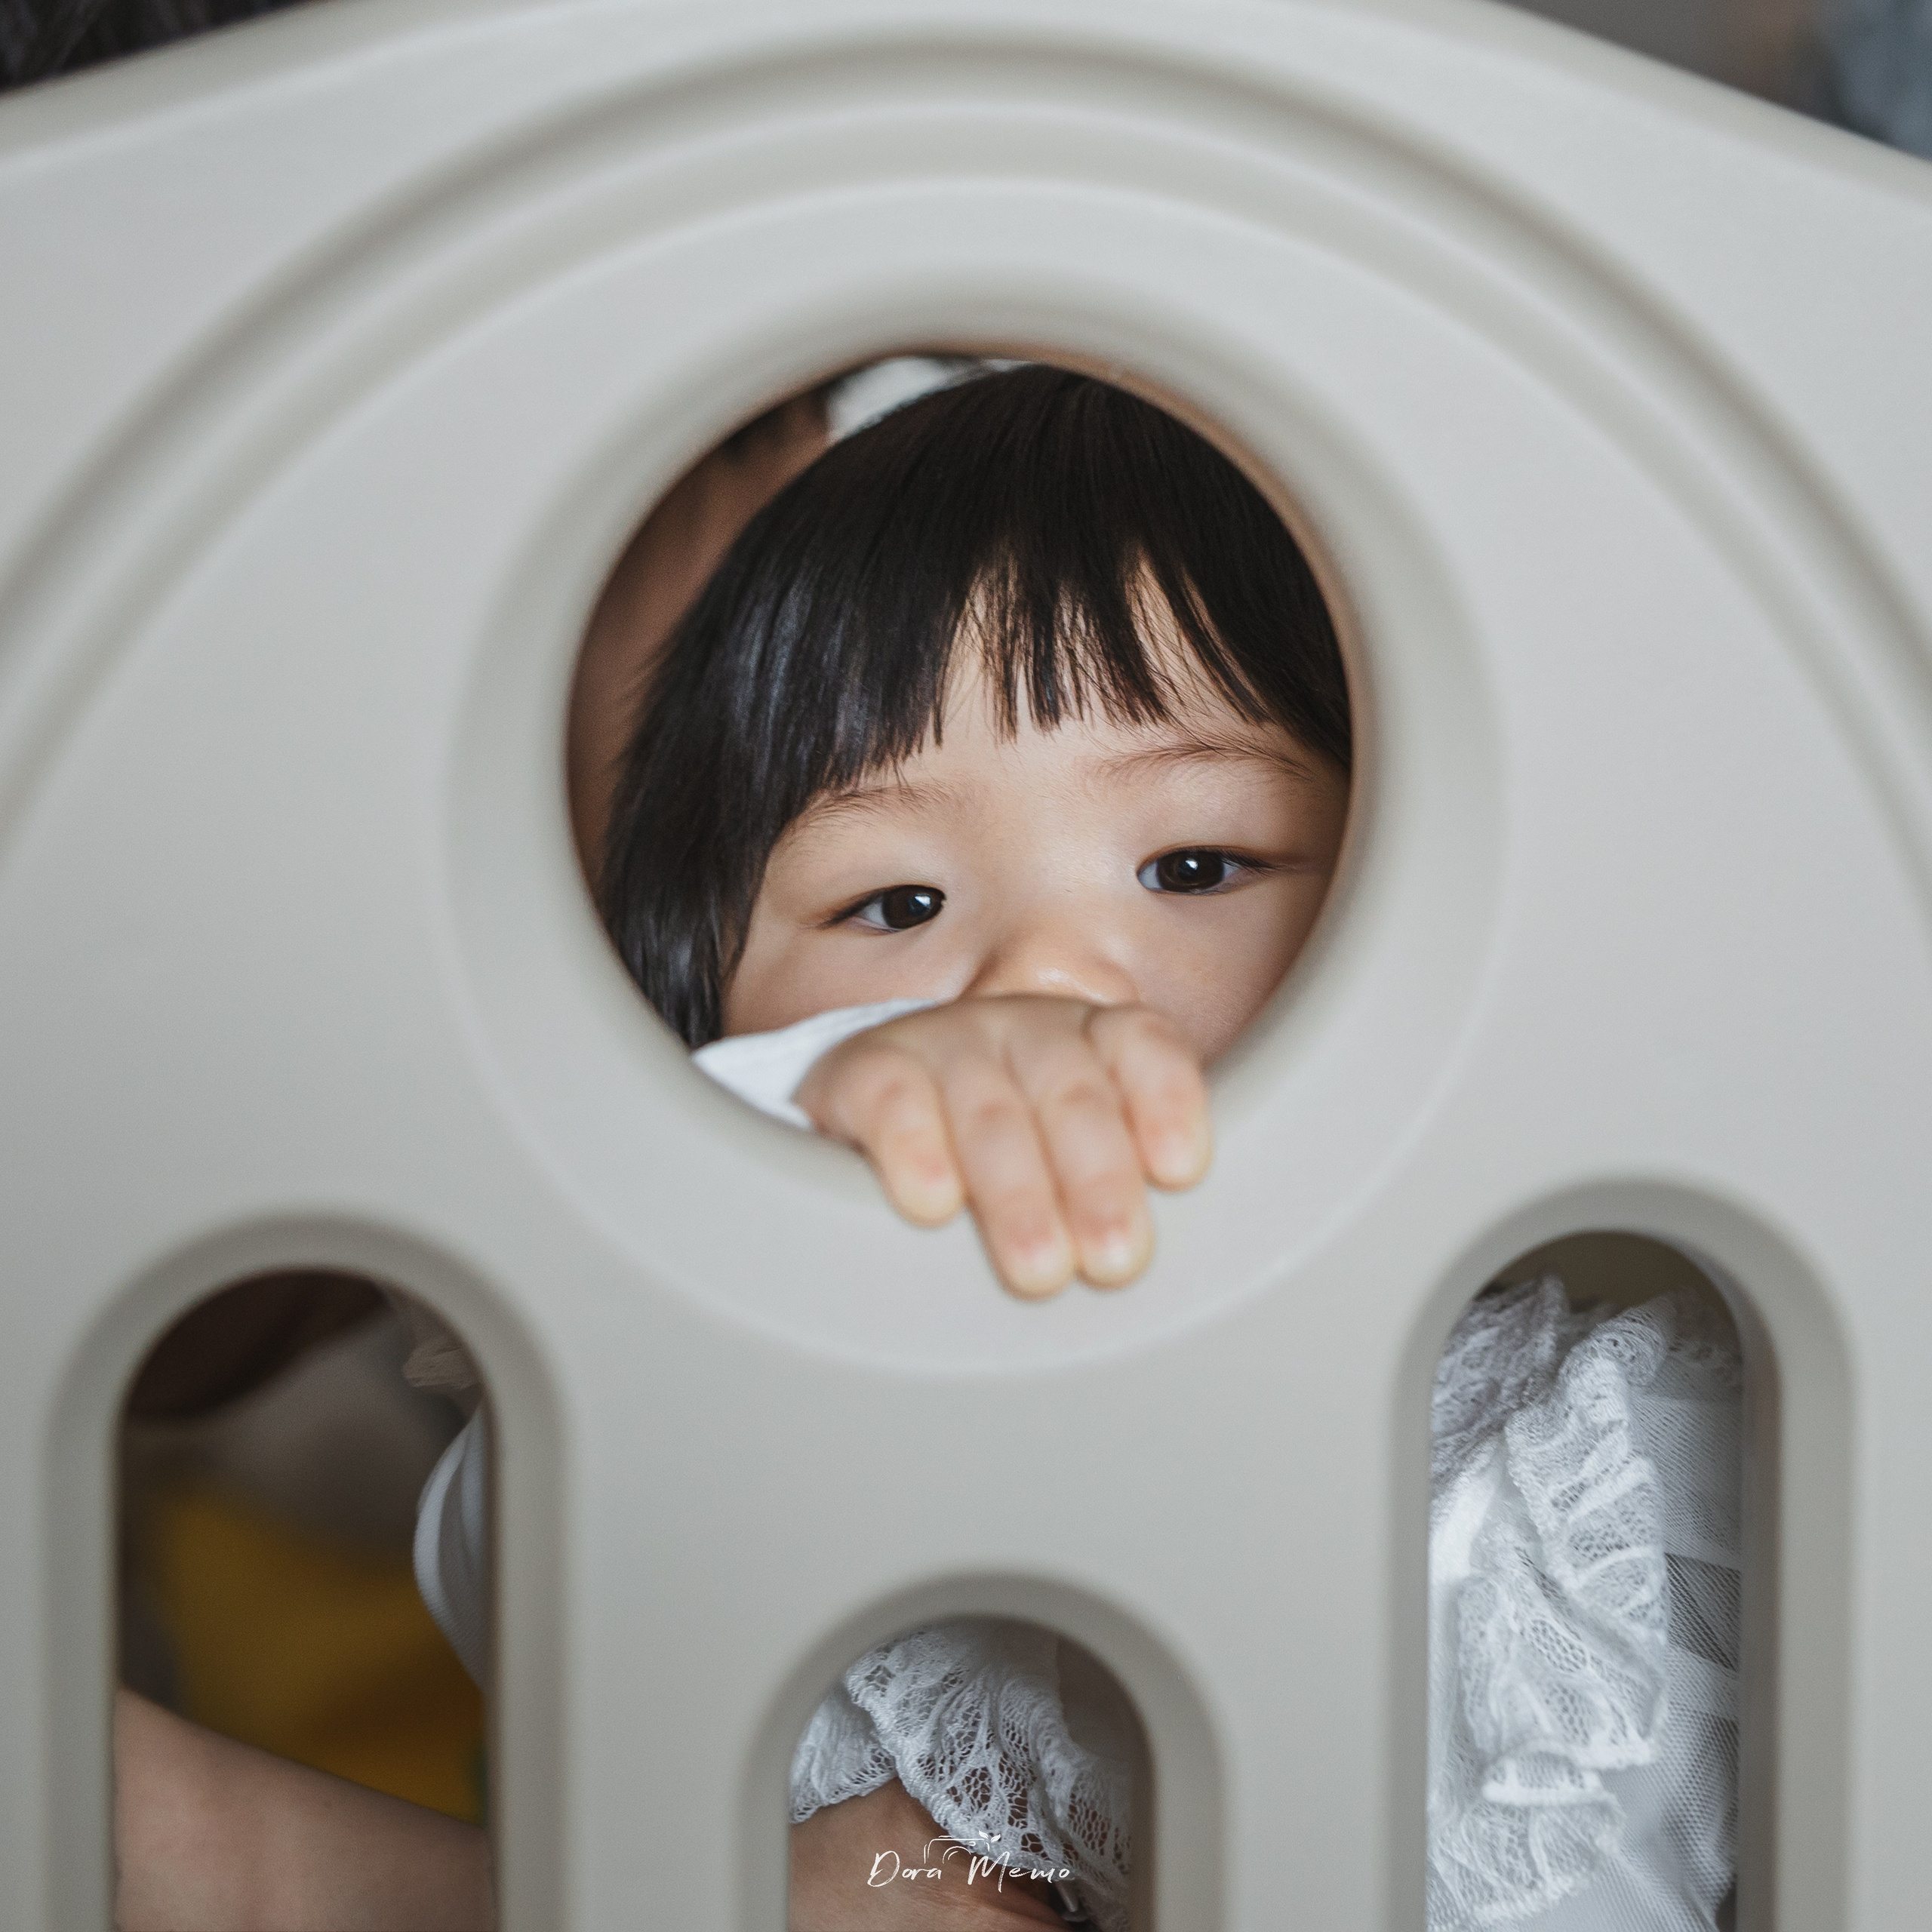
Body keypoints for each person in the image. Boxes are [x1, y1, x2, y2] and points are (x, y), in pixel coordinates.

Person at [414, 366, 1742, 1930]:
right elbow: (517, 1514)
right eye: (892, 905)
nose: (1042, 977)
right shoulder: (748, 1469)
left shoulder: (1598, 1472)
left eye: (1191, 861)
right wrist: (799, 1131)